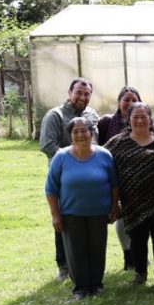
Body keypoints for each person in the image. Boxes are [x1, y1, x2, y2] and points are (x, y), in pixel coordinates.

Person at [106, 102, 154, 286]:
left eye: (144, 117)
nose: (140, 120)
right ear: (129, 120)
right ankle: (140, 274)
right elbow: (101, 159)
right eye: (136, 117)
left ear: (150, 119)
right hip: (131, 202)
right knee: (137, 239)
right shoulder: (117, 142)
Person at [45, 117, 119, 300]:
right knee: (75, 251)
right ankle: (81, 288)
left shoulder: (104, 155)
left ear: (91, 133)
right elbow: (51, 188)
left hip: (99, 213)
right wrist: (55, 215)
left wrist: (114, 206)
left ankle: (96, 285)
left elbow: (114, 185)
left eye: (84, 130)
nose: (80, 135)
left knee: (97, 248)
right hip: (71, 213)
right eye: (75, 132)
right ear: (70, 136)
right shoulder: (60, 157)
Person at [40, 78, 100, 280]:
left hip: (90, 180)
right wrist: (73, 160)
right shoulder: (55, 115)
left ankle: (87, 264)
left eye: (87, 94)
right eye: (79, 93)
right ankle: (64, 266)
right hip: (65, 180)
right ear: (69, 92)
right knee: (63, 221)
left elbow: (97, 142)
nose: (83, 97)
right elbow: (47, 145)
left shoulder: (91, 115)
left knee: (87, 221)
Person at [98, 85, 140, 272]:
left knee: (139, 218)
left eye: (134, 100)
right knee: (120, 217)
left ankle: (139, 255)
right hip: (114, 179)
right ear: (119, 102)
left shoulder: (143, 120)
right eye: (126, 99)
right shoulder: (107, 123)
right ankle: (128, 255)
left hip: (139, 179)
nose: (130, 103)